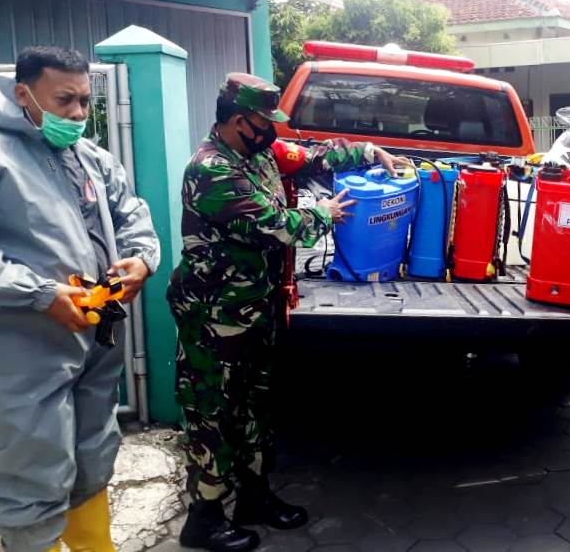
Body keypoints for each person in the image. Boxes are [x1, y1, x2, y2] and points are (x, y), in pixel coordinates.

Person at [168, 73, 407, 552]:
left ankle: (253, 497)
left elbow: (313, 155)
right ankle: (205, 518)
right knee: (214, 414)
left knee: (255, 407)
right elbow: (272, 225)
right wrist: (325, 213)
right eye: (264, 121)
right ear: (240, 121)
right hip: (215, 315)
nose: (273, 130)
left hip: (256, 308)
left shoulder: (259, 154)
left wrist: (369, 152)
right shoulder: (212, 169)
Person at [0, 47, 159, 552]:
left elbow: (131, 213)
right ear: (23, 93)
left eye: (85, 100)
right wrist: (39, 294)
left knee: (93, 452)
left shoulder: (89, 157)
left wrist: (141, 260)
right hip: (25, 348)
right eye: (65, 100)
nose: (79, 114)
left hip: (95, 341)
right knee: (32, 468)